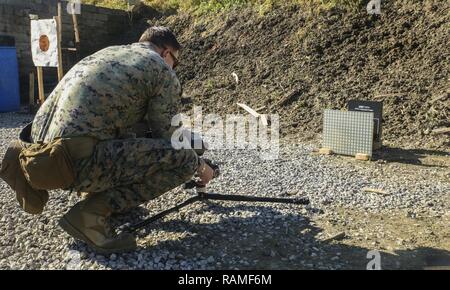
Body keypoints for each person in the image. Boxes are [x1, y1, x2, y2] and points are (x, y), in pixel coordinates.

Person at [0, 26, 214, 254]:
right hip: (71, 163)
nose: (174, 67)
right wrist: (200, 164)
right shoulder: (161, 69)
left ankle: (58, 178)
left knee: (120, 134)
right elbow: (168, 136)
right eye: (176, 62)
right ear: (165, 52)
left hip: (37, 149)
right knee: (184, 159)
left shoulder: (107, 53)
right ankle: (90, 215)